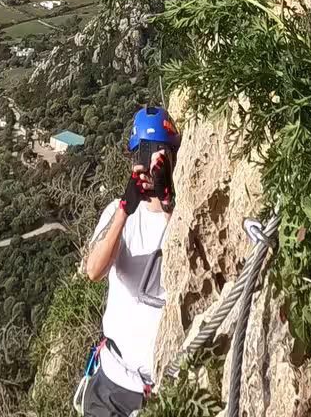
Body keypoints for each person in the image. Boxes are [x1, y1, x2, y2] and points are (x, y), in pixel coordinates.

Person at [77, 106, 181, 412]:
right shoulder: (117, 213)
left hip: (161, 389)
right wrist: (125, 208)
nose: (148, 164)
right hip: (113, 382)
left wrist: (167, 203)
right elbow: (94, 270)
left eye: (158, 154)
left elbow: (190, 261)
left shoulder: (183, 217)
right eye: (143, 154)